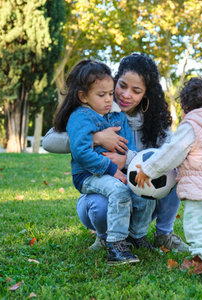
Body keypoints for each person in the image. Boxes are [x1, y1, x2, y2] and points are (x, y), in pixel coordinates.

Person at [43, 53, 189, 253]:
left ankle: (163, 235)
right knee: (102, 206)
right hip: (104, 192)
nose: (126, 95)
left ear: (146, 94)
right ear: (114, 81)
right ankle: (105, 237)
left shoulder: (156, 122)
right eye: (122, 86)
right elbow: (49, 140)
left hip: (143, 195)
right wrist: (97, 138)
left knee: (176, 173)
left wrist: (128, 159)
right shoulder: (94, 111)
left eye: (136, 91)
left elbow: (171, 156)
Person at [135, 77, 202, 273]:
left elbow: (172, 152)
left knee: (198, 227)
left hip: (200, 193)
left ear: (187, 106)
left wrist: (149, 170)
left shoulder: (191, 126)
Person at [54, 59, 138, 265]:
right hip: (87, 175)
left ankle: (137, 236)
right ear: (83, 96)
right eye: (102, 95)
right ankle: (116, 247)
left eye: (110, 94)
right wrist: (111, 169)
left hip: (115, 171)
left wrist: (126, 163)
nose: (109, 100)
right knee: (119, 191)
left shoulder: (118, 115)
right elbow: (81, 152)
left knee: (140, 192)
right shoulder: (80, 117)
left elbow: (130, 147)